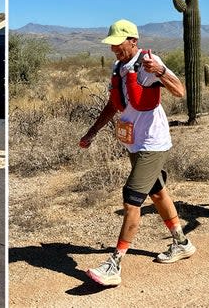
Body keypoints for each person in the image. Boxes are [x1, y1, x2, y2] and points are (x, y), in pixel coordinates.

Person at [79, 19, 195, 287]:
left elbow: (179, 92)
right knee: (157, 193)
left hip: (153, 143)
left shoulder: (148, 63)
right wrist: (92, 132)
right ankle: (182, 242)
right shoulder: (119, 66)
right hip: (135, 142)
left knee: (132, 200)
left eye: (119, 44)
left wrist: (162, 71)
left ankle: (114, 264)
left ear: (133, 40)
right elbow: (113, 105)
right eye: (112, 46)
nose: (115, 50)